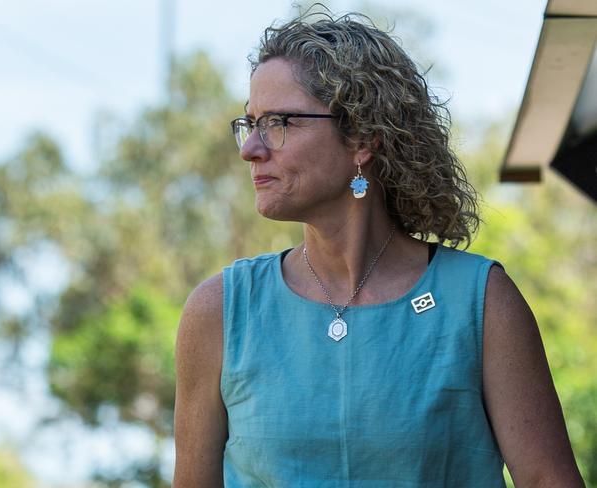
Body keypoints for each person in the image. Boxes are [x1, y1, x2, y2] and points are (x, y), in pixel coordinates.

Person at [173, 7, 585, 487]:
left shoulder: (481, 302)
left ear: (363, 137)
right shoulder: (221, 311)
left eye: (279, 122)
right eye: (251, 123)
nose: (251, 149)